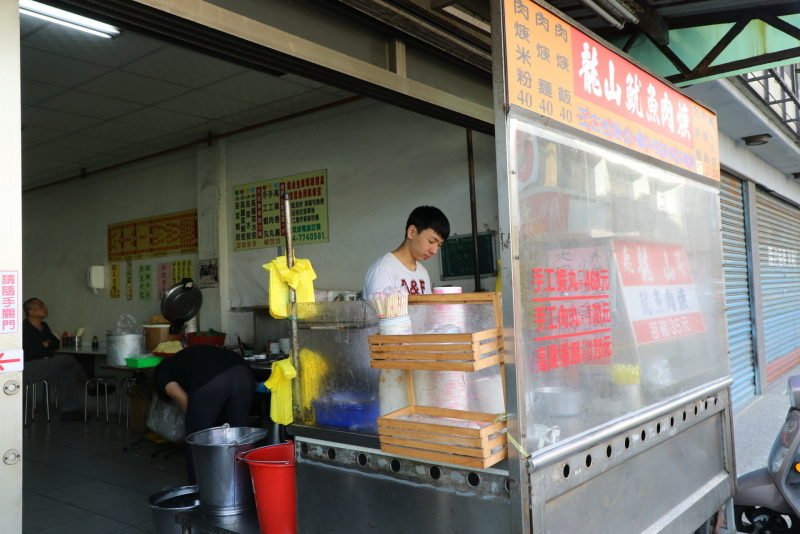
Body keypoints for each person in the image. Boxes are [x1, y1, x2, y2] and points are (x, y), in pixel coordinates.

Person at [154, 344, 256, 483]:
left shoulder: (161, 372)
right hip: (243, 373)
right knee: (239, 438)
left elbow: (185, 402)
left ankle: (200, 491)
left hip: (211, 379)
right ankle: (242, 490)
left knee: (197, 439)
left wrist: (195, 418)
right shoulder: (185, 359)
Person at [22, 297, 87, 421]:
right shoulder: (24, 328)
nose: (45, 308)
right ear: (31, 312)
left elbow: (56, 343)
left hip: (45, 364)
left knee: (68, 372)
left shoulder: (44, 326)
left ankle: (70, 411)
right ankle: (89, 384)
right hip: (30, 367)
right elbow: (34, 350)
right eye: (41, 306)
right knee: (69, 359)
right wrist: (44, 346)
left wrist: (46, 345)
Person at [363, 205, 450, 298]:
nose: (434, 251)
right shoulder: (383, 269)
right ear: (411, 232)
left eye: (439, 245)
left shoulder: (423, 272)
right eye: (431, 241)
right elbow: (381, 311)